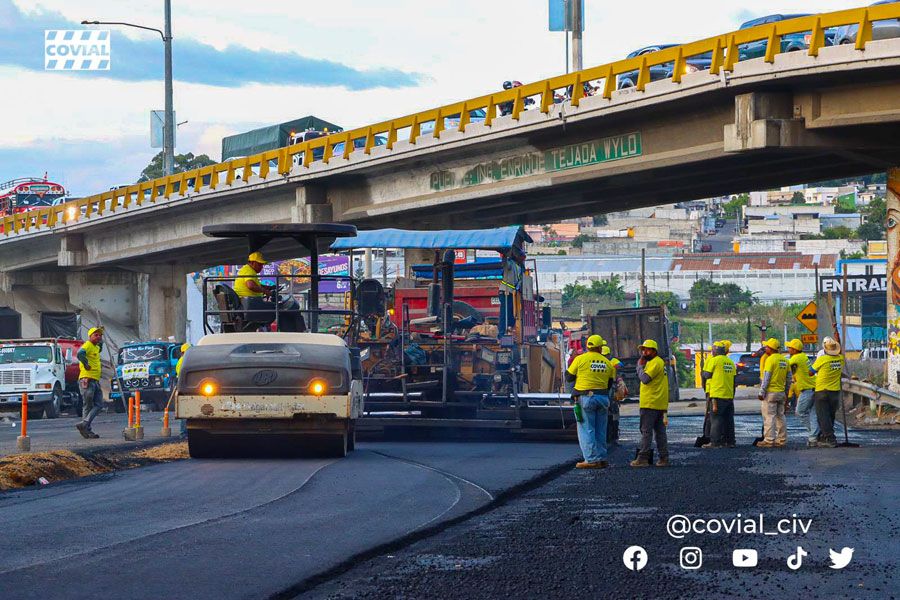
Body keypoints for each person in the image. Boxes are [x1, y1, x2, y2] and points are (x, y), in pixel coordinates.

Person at [566, 334, 614, 469]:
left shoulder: (580, 359)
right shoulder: (607, 363)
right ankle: (602, 458)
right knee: (600, 430)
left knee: (586, 429)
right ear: (600, 347)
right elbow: (610, 383)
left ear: (587, 346)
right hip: (603, 398)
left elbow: (569, 377)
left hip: (586, 398)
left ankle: (591, 460)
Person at [234, 252, 305, 332]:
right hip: (250, 304)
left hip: (249, 302)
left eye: (262, 265)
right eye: (259, 264)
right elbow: (251, 286)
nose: (261, 267)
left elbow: (255, 284)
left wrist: (268, 287)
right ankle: (271, 329)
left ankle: (266, 328)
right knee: (274, 308)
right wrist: (266, 291)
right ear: (253, 262)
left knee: (271, 307)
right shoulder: (249, 271)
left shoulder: (246, 270)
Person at [631, 339, 669, 467]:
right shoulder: (658, 362)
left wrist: (639, 366)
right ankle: (664, 458)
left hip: (650, 403)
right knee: (660, 432)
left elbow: (645, 379)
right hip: (659, 403)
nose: (644, 352)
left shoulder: (655, 362)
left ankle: (643, 458)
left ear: (654, 351)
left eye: (647, 349)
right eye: (643, 349)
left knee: (646, 431)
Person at [809, 337, 846, 448]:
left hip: (822, 391)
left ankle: (830, 439)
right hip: (835, 391)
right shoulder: (841, 359)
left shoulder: (823, 359)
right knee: (830, 415)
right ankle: (825, 436)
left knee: (823, 416)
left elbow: (810, 372)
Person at [756, 338, 791, 448]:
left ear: (770, 349)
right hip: (781, 393)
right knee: (781, 416)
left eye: (766, 347)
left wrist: (762, 392)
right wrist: (786, 392)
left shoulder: (770, 360)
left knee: (769, 416)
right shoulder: (785, 360)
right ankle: (782, 440)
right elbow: (789, 378)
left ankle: (769, 440)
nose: (765, 348)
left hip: (770, 393)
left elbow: (766, 377)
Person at [701, 341, 736, 448]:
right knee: (729, 420)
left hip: (717, 395)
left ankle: (715, 442)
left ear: (715, 351)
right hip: (729, 394)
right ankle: (730, 442)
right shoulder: (730, 362)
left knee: (716, 418)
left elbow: (707, 375)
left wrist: (703, 371)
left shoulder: (715, 360)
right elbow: (735, 380)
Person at [786, 338, 818, 447]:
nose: (788, 349)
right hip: (814, 387)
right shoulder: (803, 356)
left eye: (790, 347)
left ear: (794, 350)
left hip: (808, 390)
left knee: (800, 412)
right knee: (813, 414)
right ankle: (814, 437)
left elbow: (785, 364)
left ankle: (815, 433)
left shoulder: (797, 358)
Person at [75, 327, 105, 439]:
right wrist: (86, 364)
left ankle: (85, 425)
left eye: (100, 335)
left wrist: (101, 340)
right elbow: (80, 354)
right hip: (87, 379)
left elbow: (99, 348)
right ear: (90, 336)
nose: (98, 337)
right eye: (96, 335)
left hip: (95, 380)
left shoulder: (96, 347)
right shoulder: (87, 345)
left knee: (98, 404)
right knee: (88, 405)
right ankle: (86, 429)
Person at [601, 345, 623, 444]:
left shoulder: (600, 361)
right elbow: (621, 365)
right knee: (613, 410)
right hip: (609, 386)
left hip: (604, 387)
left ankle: (611, 432)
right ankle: (614, 433)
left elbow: (620, 365)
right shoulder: (612, 360)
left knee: (610, 408)